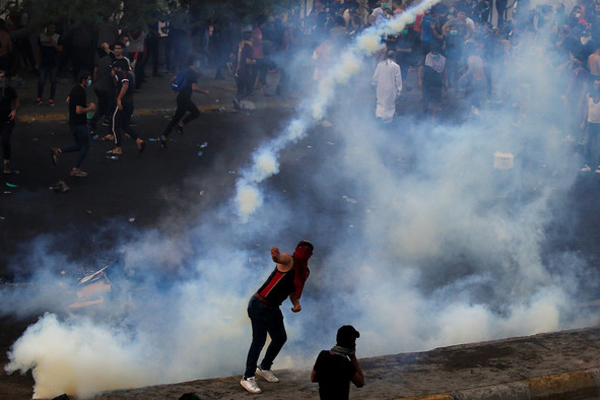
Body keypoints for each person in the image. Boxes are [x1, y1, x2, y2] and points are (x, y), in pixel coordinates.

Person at [240, 240, 314, 394]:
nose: (303, 252)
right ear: (297, 250)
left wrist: (296, 303)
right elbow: (279, 259)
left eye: (307, 251)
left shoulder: (304, 272)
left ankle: (264, 367)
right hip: (259, 304)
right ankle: (247, 377)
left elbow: (293, 292)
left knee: (280, 338)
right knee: (259, 341)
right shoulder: (289, 260)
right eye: (302, 249)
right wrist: (275, 256)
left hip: (273, 307)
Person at [50, 71, 96, 177]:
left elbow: (68, 100)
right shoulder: (81, 92)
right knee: (85, 146)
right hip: (80, 124)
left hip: (73, 123)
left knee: (79, 145)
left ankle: (58, 151)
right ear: (83, 80)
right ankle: (76, 169)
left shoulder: (75, 88)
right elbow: (79, 110)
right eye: (88, 79)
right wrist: (90, 108)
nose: (89, 81)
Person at [159, 55, 210, 148]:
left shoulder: (185, 70)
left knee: (192, 113)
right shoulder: (192, 73)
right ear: (195, 63)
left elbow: (174, 79)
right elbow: (194, 88)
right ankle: (164, 136)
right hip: (184, 100)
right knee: (183, 116)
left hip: (181, 98)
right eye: (198, 62)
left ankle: (179, 126)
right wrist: (204, 92)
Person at [311, 325, 365, 400]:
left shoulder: (323, 355)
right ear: (352, 343)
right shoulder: (345, 363)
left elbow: (313, 378)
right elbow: (360, 383)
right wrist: (353, 358)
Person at [107, 58, 146, 156]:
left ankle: (118, 148)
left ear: (118, 68)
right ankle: (138, 140)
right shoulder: (128, 74)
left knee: (115, 125)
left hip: (123, 104)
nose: (112, 71)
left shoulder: (121, 74)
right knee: (124, 125)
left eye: (113, 69)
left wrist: (119, 99)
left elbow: (125, 84)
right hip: (129, 104)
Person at [35, 23, 63, 106]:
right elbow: (38, 49)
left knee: (53, 81)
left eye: (53, 28)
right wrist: (37, 61)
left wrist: (54, 44)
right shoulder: (41, 36)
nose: (52, 30)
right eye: (50, 28)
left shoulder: (57, 37)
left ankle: (51, 99)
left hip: (53, 62)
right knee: (41, 81)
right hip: (44, 62)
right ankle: (39, 98)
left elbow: (60, 49)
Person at [372, 50, 402, 123]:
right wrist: (399, 90)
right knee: (389, 105)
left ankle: (379, 116)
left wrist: (374, 84)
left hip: (380, 88)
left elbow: (375, 77)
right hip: (391, 89)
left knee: (380, 102)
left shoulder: (380, 65)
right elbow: (398, 80)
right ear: (394, 56)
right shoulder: (396, 66)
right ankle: (387, 121)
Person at [0, 70, 19, 174]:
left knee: (5, 140)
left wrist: (14, 110)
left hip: (6, 119)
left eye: (2, 77)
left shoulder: (9, 90)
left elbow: (16, 100)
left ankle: (6, 161)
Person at [581, 80, 600, 173]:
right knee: (587, 144)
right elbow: (586, 110)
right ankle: (587, 164)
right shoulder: (589, 97)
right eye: (595, 84)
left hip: (599, 125)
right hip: (590, 124)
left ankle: (599, 166)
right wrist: (583, 122)